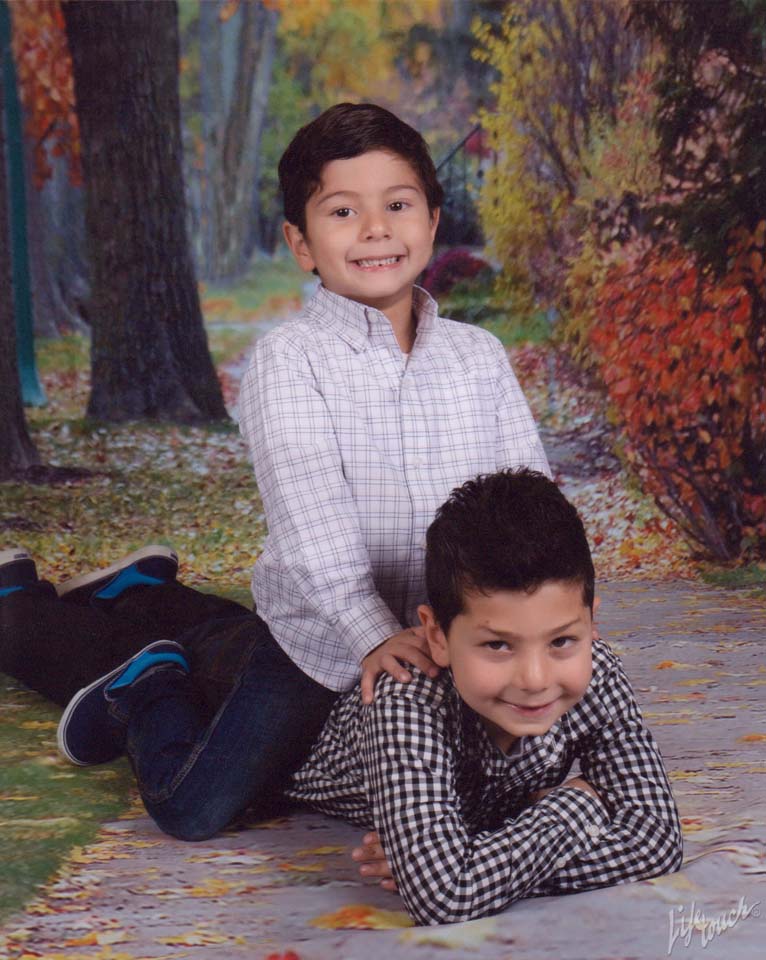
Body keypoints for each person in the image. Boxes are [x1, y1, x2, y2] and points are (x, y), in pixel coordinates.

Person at [0, 102, 548, 842]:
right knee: (196, 807)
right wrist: (371, 634)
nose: (376, 229)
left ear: (432, 220)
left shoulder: (477, 356)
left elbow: (528, 502)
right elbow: (312, 524)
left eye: (397, 204)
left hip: (452, 640)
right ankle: (152, 680)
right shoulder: (289, 362)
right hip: (321, 641)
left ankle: (148, 594)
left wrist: (531, 619)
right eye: (343, 211)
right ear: (301, 243)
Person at [284, 468, 683, 924]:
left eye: (561, 641)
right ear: (437, 636)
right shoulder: (407, 700)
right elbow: (446, 897)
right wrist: (576, 807)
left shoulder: (599, 673)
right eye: (497, 645)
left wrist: (475, 857)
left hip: (465, 812)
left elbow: (657, 842)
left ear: (591, 623)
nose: (535, 679)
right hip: (287, 746)